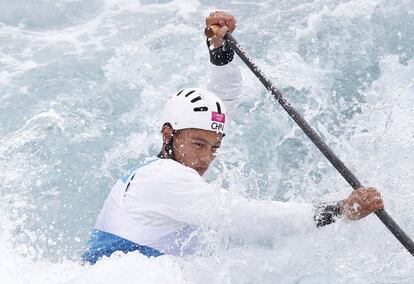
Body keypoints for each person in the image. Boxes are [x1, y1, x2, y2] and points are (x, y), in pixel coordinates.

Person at [81, 11, 384, 265]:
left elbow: (221, 104)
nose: (205, 159)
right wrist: (339, 210)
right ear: (168, 134)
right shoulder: (164, 178)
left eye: (214, 148)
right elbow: (246, 218)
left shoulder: (159, 171)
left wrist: (220, 52)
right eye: (198, 144)